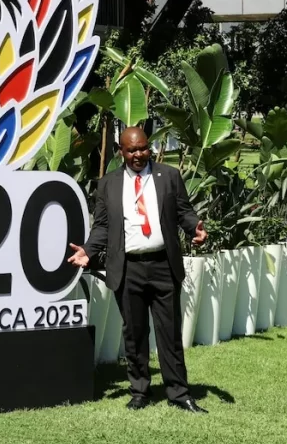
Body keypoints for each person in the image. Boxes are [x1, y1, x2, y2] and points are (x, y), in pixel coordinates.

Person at [68, 127, 208, 413]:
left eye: (143, 148)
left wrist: (195, 228)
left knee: (169, 333)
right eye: (132, 150)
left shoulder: (169, 176)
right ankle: (140, 391)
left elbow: (183, 211)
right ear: (122, 151)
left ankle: (179, 393)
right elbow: (103, 226)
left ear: (149, 148)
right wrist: (88, 250)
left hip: (163, 266)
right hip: (127, 268)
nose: (138, 155)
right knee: (134, 334)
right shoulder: (108, 184)